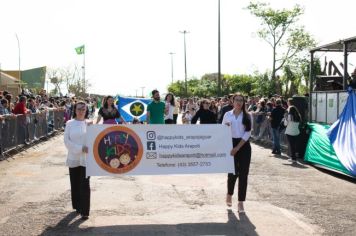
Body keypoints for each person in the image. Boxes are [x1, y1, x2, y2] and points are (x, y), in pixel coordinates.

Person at [222, 93, 252, 213]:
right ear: (232, 101)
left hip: (243, 145)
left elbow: (248, 132)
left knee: (243, 174)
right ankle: (229, 194)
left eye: (241, 100)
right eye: (237, 100)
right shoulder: (227, 114)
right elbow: (221, 130)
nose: (239, 102)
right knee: (232, 173)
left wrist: (238, 148)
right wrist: (226, 127)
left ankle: (241, 202)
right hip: (230, 144)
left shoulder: (247, 115)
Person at [64, 101, 91, 220]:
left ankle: (85, 211)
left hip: (86, 159)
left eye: (83, 109)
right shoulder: (69, 123)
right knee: (75, 184)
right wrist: (80, 148)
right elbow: (67, 141)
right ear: (75, 110)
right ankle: (77, 206)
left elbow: (95, 138)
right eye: (79, 109)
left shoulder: (89, 123)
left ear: (86, 111)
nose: (81, 111)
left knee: (85, 184)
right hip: (74, 158)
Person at [284, 98, 302, 163]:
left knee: (291, 145)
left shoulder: (289, 116)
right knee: (294, 145)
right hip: (296, 132)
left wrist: (285, 119)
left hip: (289, 131)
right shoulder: (298, 116)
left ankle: (293, 158)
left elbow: (286, 123)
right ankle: (293, 157)